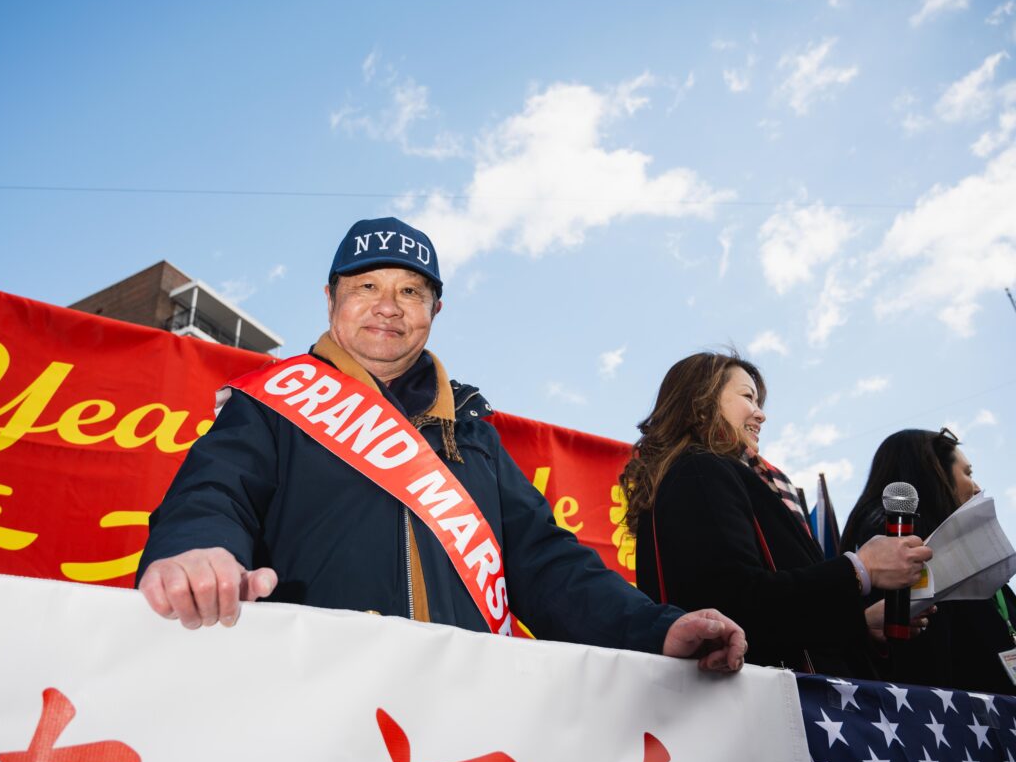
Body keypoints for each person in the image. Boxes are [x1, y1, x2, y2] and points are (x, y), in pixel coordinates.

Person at [136, 216, 747, 672]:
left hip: (463, 708)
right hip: (311, 692)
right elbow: (215, 492)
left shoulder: (474, 434)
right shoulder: (272, 403)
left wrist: (656, 629)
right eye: (366, 286)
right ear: (331, 300)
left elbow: (549, 564)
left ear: (436, 308)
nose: (387, 308)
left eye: (410, 292)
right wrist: (197, 551)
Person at [623, 351, 931, 676]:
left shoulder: (729, 476)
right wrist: (860, 568)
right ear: (701, 403)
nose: (761, 415)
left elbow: (775, 616)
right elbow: (734, 605)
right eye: (747, 397)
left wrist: (860, 623)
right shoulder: (700, 471)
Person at [842, 428, 1015, 693]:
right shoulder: (898, 541)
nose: (978, 487)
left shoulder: (971, 554)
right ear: (932, 473)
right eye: (968, 473)